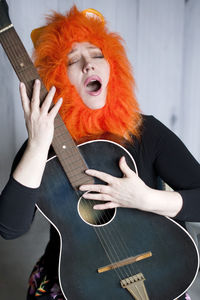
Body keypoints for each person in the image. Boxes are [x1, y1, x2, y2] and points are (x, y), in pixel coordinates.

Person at [0, 5, 200, 300]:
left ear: (113, 66)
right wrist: (39, 145)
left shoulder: (147, 132)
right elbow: (10, 227)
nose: (89, 66)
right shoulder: (41, 144)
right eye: (73, 61)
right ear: (56, 76)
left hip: (159, 267)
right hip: (75, 279)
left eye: (97, 55)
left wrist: (145, 199)